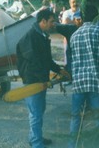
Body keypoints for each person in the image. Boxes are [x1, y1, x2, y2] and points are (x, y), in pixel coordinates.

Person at [16, 9, 71, 148]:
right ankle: (36, 143)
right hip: (32, 81)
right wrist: (44, 80)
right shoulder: (31, 37)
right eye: (52, 21)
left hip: (40, 81)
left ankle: (35, 137)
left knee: (39, 111)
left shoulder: (42, 36)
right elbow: (34, 63)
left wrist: (59, 70)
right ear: (43, 21)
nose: (54, 24)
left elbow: (47, 60)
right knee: (35, 113)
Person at [68, 5, 99, 148]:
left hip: (79, 82)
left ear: (83, 18)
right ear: (96, 17)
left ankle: (72, 145)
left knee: (76, 117)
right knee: (98, 116)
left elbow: (72, 59)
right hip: (97, 81)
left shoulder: (74, 35)